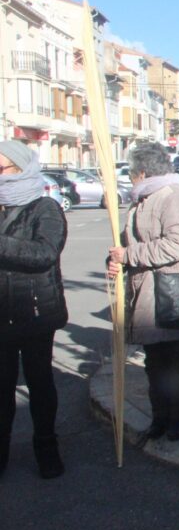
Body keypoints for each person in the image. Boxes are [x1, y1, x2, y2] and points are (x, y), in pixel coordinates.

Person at [107, 142, 179, 443]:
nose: (131, 178)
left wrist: (130, 255)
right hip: (146, 288)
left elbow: (177, 244)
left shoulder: (172, 197)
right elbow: (126, 242)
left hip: (173, 288)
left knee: (178, 359)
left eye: (132, 172)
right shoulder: (141, 199)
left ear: (143, 172)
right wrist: (116, 259)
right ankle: (159, 417)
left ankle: (178, 420)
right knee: (154, 360)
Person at [0, 141, 68, 479]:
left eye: (1, 169)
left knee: (39, 383)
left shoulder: (45, 207)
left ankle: (46, 447)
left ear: (21, 167)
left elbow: (45, 253)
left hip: (36, 312)